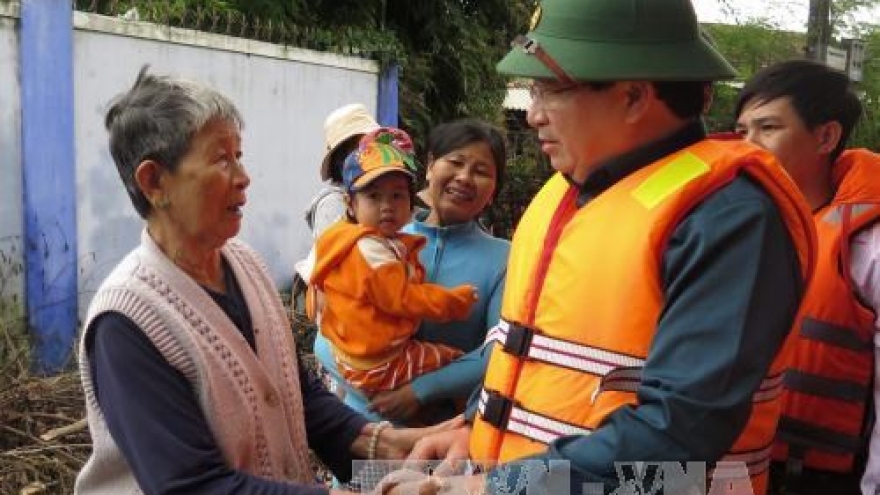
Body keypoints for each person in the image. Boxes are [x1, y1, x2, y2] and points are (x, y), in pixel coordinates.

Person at [389, 1, 819, 494]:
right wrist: (475, 428)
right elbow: (531, 354)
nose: (532, 115)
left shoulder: (730, 219)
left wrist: (496, 488)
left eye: (548, 90)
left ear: (634, 97)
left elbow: (678, 430)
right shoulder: (572, 191)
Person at [75, 67, 440, 495]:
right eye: (221, 159)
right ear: (155, 182)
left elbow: (295, 395)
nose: (244, 177)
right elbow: (193, 487)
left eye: (239, 155)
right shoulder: (127, 322)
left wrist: (386, 445)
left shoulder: (245, 263)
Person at [734, 59, 880, 495]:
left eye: (768, 128)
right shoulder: (726, 229)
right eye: (742, 131)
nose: (748, 146)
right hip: (730, 469)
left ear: (826, 137)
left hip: (816, 479)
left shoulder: (867, 246)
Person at [313, 119, 511, 424]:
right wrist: (370, 386)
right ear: (431, 167)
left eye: (481, 171)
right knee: (360, 475)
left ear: (494, 188)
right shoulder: (372, 243)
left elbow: (500, 352)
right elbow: (325, 337)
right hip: (364, 428)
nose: (464, 177)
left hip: (445, 437)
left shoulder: (505, 259)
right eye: (455, 162)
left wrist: (420, 391)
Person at [306, 103, 380, 238]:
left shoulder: (380, 191)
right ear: (340, 157)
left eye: (373, 147)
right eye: (360, 148)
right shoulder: (332, 204)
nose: (369, 154)